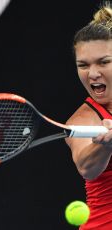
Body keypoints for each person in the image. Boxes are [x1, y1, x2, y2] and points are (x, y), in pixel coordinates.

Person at [65, 1, 112, 229]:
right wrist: (105, 145)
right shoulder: (82, 120)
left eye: (104, 62)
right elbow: (87, 167)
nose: (93, 74)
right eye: (83, 65)